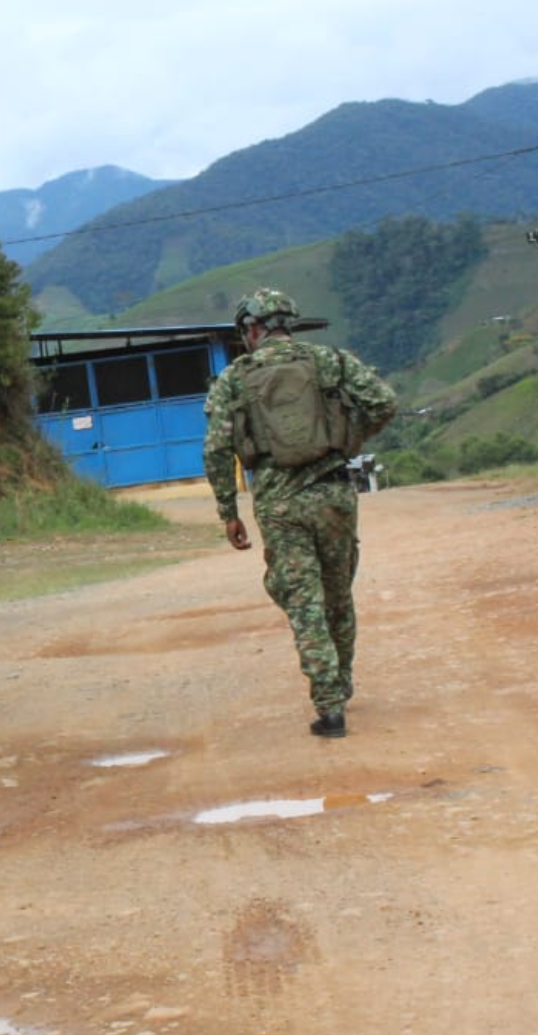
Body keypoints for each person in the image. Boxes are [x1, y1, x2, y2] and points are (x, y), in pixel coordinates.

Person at [202, 289, 398, 738]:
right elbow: (383, 403)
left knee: (301, 600)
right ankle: (340, 683)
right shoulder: (330, 361)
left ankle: (329, 707)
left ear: (252, 329)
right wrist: (348, 438)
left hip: (279, 504)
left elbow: (216, 449)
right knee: (337, 595)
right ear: (288, 323)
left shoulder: (235, 378)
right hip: (333, 496)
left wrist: (227, 511)